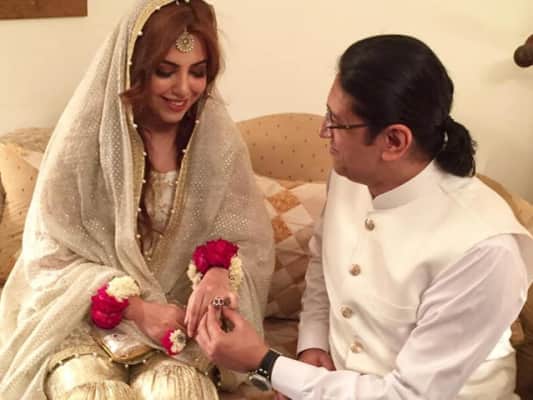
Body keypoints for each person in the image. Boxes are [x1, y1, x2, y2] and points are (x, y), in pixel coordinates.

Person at [195, 34, 533, 399]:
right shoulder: (350, 177)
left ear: (394, 142)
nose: (323, 131)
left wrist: (267, 364)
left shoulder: (485, 249)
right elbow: (322, 266)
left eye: (336, 122)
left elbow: (408, 395)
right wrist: (312, 346)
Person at [0, 0, 274, 399]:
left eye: (197, 72)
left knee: (177, 390)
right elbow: (48, 256)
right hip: (82, 321)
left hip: (177, 324)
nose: (184, 89)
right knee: (94, 393)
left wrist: (218, 273)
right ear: (134, 69)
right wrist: (137, 309)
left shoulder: (218, 147)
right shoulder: (84, 146)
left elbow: (246, 239)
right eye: (166, 71)